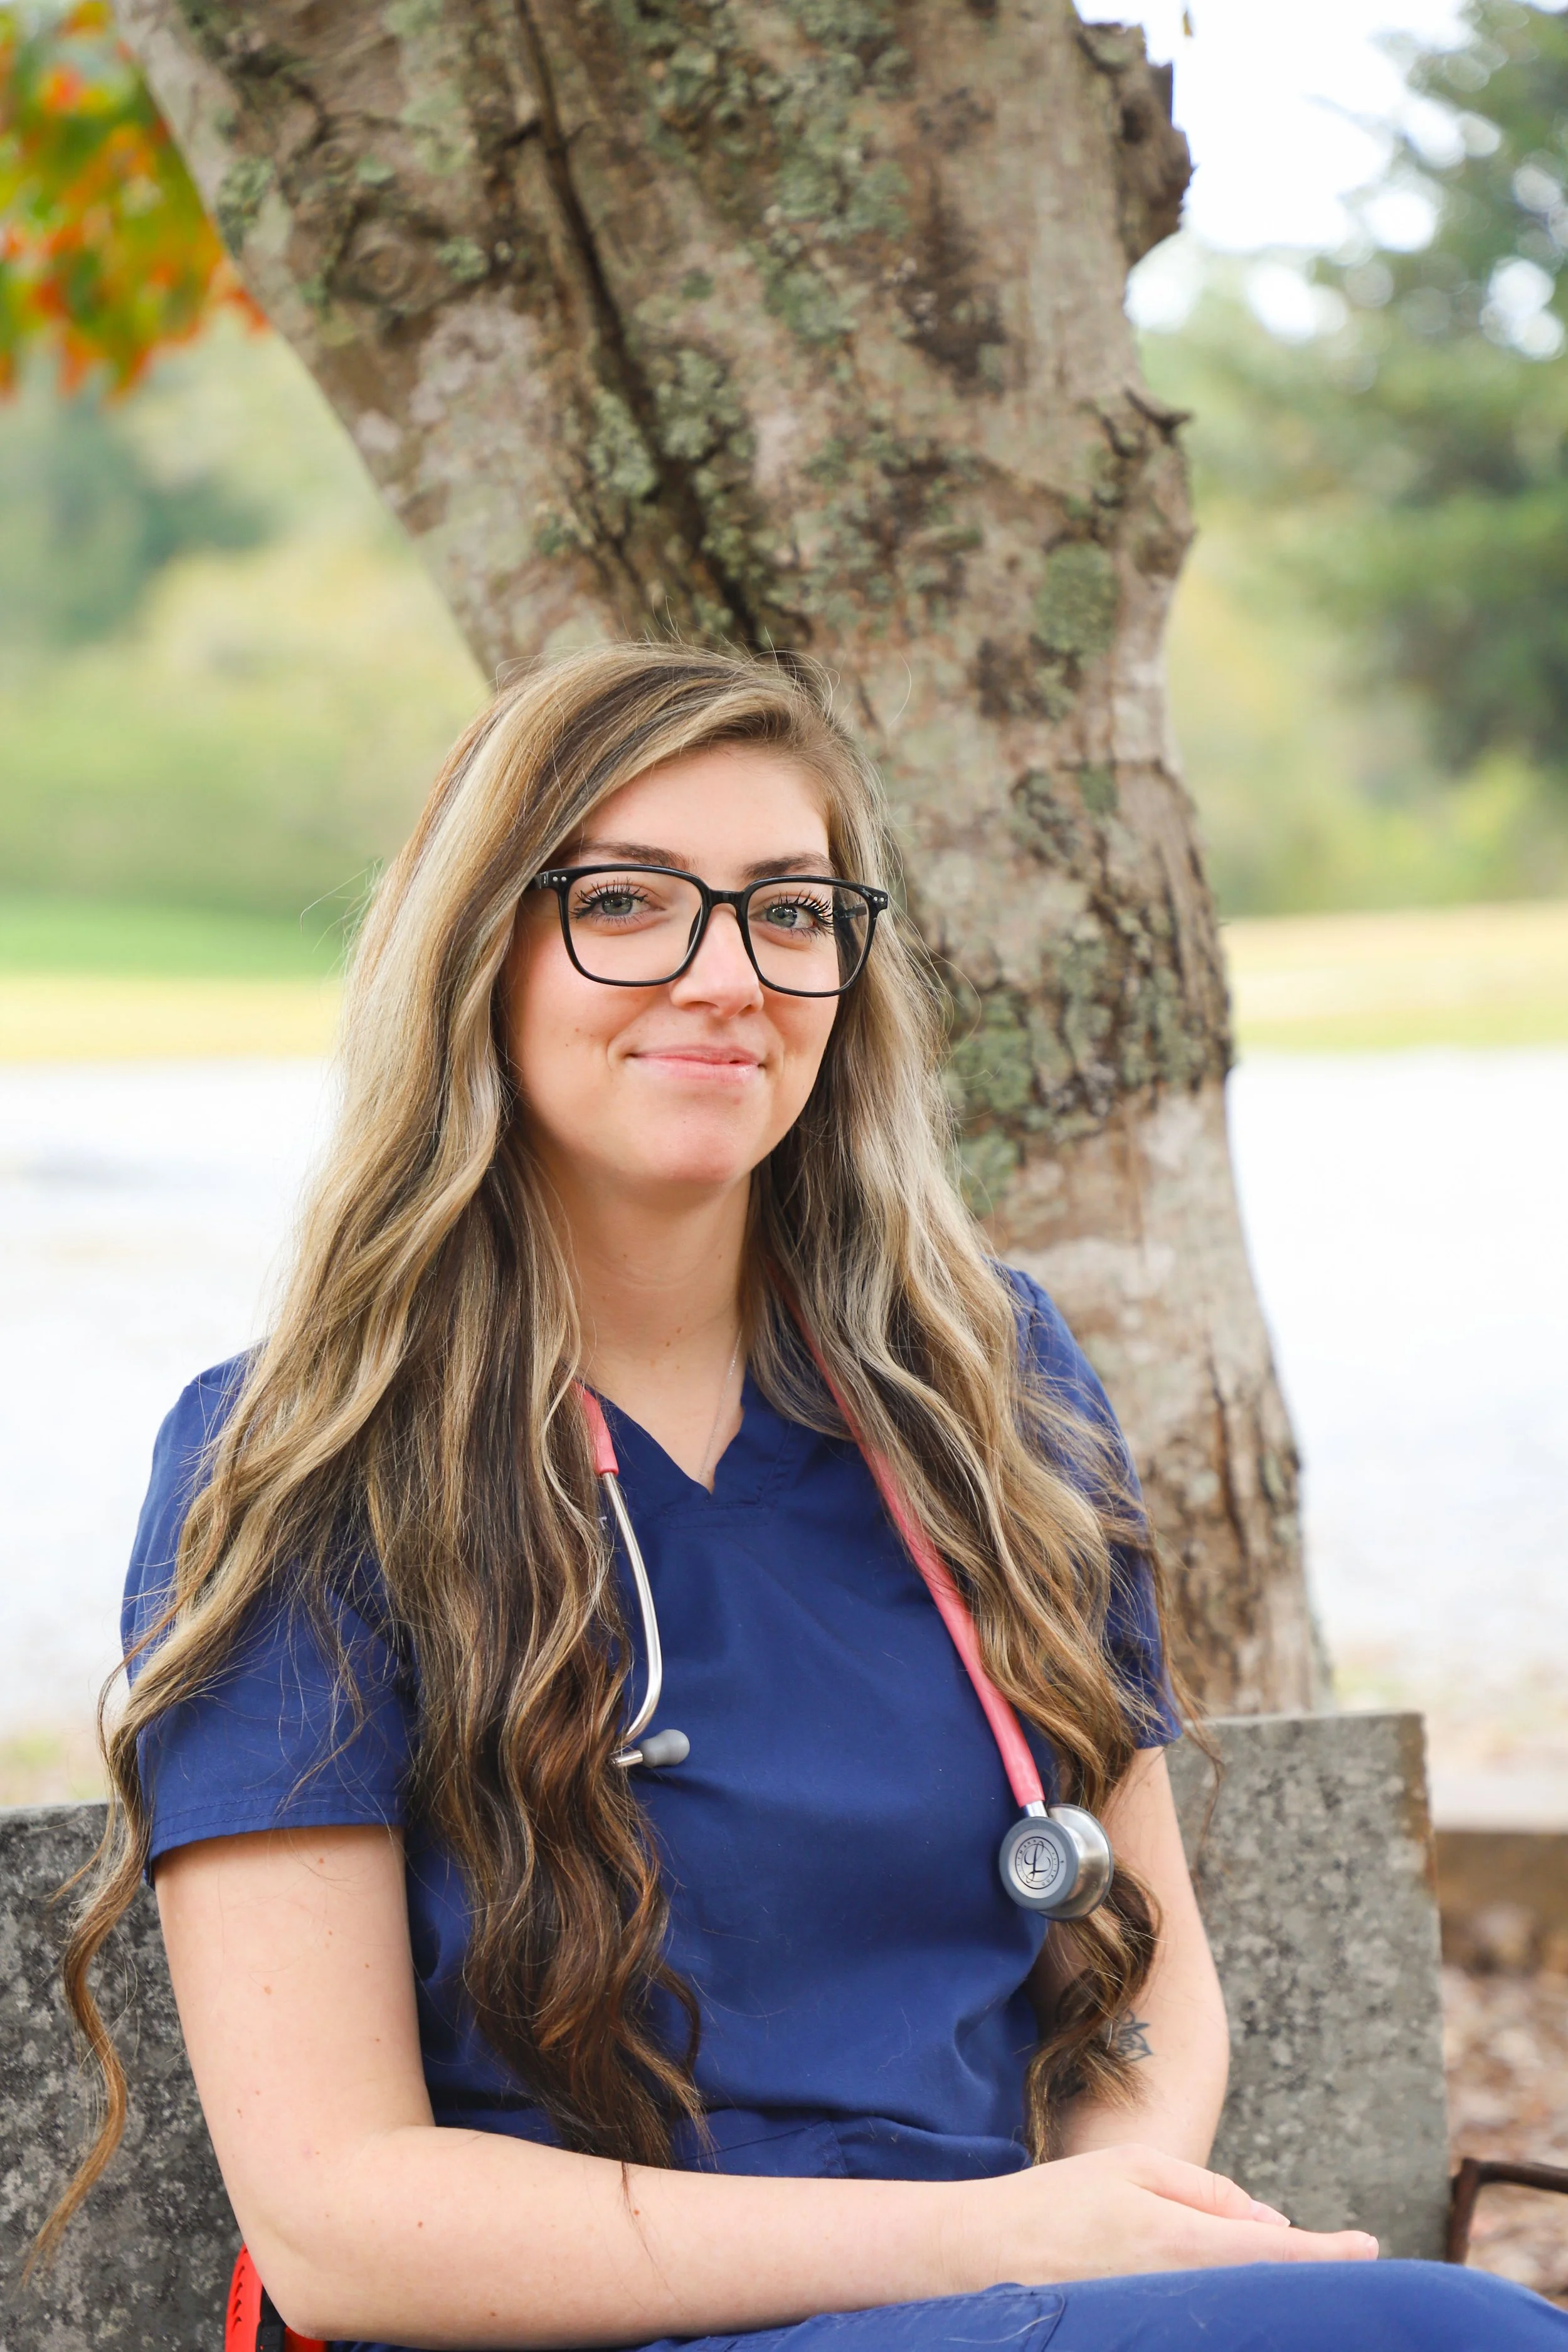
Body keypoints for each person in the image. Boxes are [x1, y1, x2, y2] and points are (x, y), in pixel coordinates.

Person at [56, 647, 1564, 2351]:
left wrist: (1106, 2225)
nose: (725, 976)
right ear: (480, 952)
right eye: (625, 902)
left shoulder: (986, 1396)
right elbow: (341, 2220)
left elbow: (1139, 1985)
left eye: (788, 911)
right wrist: (989, 2247)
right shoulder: (306, 1463)